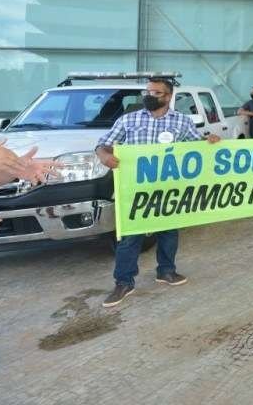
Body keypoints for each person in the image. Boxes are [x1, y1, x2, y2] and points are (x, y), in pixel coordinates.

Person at [94, 77, 221, 307]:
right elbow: (103, 145)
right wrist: (104, 156)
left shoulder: (181, 122)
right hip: (135, 189)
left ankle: (166, 271)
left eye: (156, 93)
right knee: (131, 236)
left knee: (169, 232)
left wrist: (209, 141)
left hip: (168, 189)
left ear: (169, 96)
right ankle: (123, 282)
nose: (149, 96)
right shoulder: (128, 120)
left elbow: (197, 146)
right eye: (148, 91)